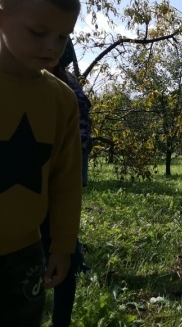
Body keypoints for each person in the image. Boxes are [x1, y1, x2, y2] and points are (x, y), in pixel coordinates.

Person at [0, 0, 82, 327]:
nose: (53, 47)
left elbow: (65, 181)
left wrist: (63, 245)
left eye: (63, 37)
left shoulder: (62, 100)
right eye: (38, 32)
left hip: (24, 252)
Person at [40, 38, 92, 327]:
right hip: (71, 162)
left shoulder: (57, 85)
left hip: (58, 166)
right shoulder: (69, 82)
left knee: (53, 230)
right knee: (61, 229)